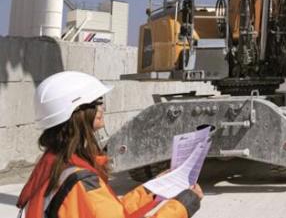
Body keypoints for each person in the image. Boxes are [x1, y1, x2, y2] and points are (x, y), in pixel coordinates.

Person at [16, 71, 203, 218]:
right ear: (79, 111)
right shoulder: (79, 179)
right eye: (98, 102)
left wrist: (153, 189)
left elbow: (109, 211)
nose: (102, 108)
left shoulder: (55, 162)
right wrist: (184, 205)